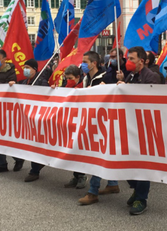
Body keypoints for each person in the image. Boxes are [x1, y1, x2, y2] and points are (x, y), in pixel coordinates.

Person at [117, 46, 159, 215]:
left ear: (142, 61)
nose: (128, 62)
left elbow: (152, 101)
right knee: (125, 159)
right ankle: (135, 188)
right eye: (128, 59)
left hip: (145, 126)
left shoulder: (152, 77)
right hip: (130, 125)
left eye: (132, 59)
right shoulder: (131, 76)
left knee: (142, 163)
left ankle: (141, 198)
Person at [78, 51, 119, 205]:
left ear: (93, 63)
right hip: (92, 119)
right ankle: (113, 184)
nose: (83, 64)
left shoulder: (106, 78)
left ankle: (93, 191)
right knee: (104, 152)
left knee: (98, 154)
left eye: (85, 61)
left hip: (104, 121)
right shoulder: (86, 78)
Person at [8, 59, 49, 181]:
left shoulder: (41, 81)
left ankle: (34, 171)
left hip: (37, 118)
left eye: (27, 67)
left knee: (35, 144)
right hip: (26, 118)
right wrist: (12, 86)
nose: (25, 70)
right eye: (24, 67)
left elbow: (48, 97)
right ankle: (25, 160)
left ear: (34, 69)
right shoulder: (25, 81)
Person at [61, 65, 88, 189]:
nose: (68, 81)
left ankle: (82, 175)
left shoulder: (83, 87)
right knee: (72, 150)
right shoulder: (67, 87)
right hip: (69, 121)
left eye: (70, 78)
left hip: (80, 122)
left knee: (79, 150)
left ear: (78, 77)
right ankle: (76, 176)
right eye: (67, 78)